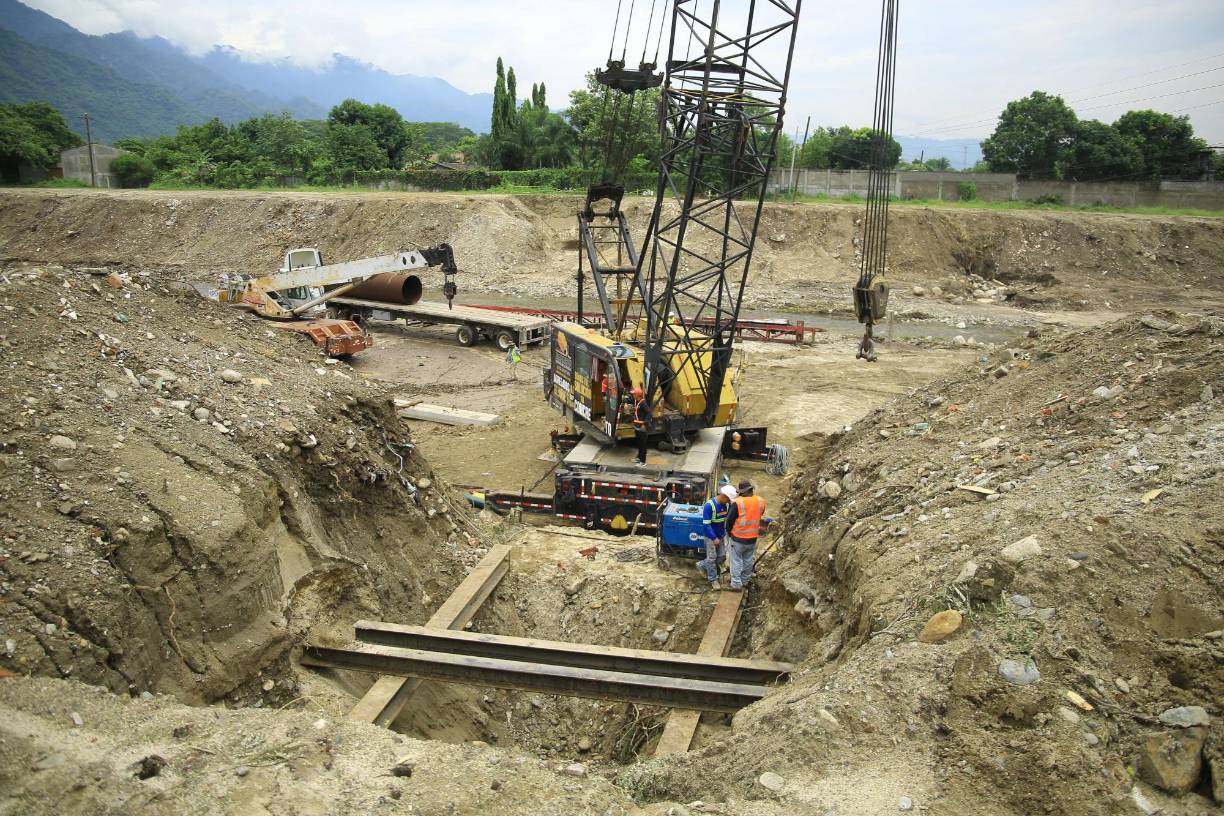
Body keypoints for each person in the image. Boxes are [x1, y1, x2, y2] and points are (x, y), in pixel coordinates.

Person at [724, 479, 767, 592]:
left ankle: (736, 584)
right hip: (752, 538)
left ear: (742, 492)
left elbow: (729, 521)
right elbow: (759, 514)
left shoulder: (738, 502)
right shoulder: (761, 501)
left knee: (736, 561)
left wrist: (729, 533)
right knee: (748, 560)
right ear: (751, 489)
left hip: (738, 538)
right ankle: (745, 581)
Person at [696, 484, 737, 588]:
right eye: (728, 499)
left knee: (722, 556)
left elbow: (727, 520)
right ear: (724, 496)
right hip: (710, 536)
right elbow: (706, 525)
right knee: (711, 557)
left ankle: (701, 565)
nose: (729, 502)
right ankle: (713, 579)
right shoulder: (709, 506)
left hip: (721, 535)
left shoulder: (727, 505)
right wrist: (714, 538)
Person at [631, 386, 650, 465]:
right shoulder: (636, 401)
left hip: (642, 427)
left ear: (637, 395)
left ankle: (643, 461)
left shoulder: (643, 403)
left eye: (634, 394)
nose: (633, 395)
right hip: (636, 426)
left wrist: (644, 424)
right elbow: (628, 399)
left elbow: (649, 413)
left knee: (643, 444)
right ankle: (639, 458)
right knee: (639, 443)